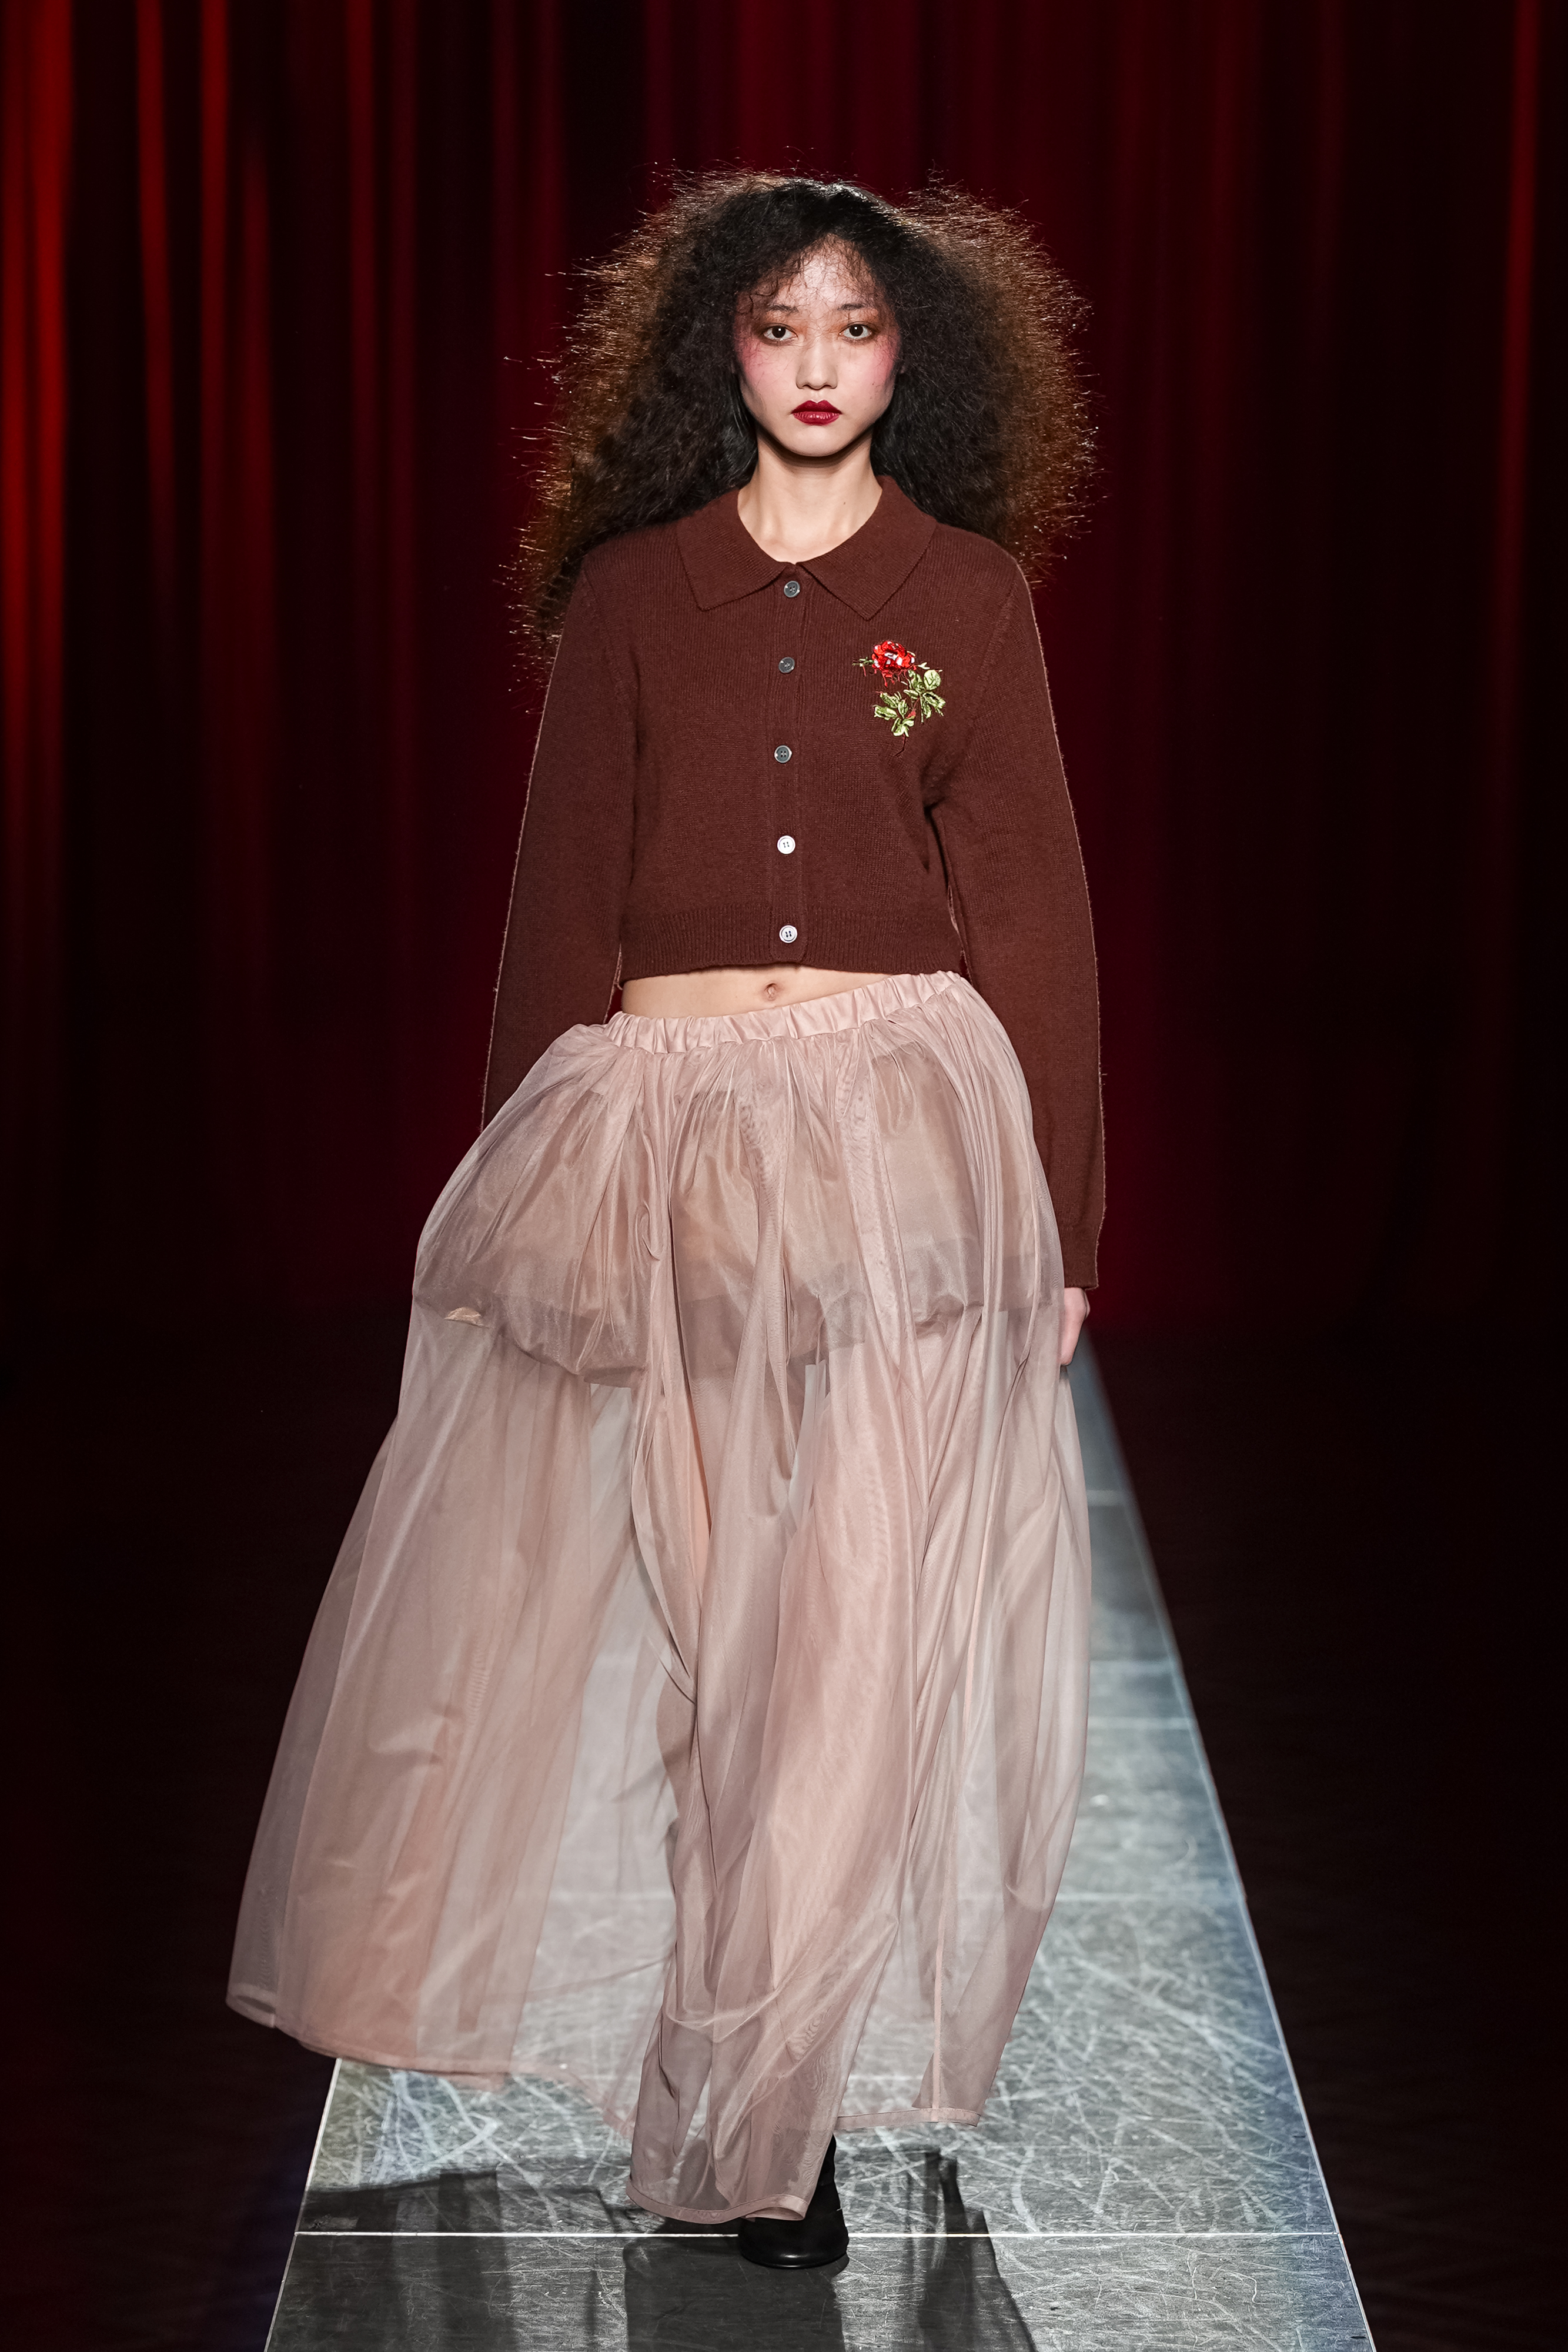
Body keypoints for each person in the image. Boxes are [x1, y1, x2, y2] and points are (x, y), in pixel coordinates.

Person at [229, 175, 1101, 2273]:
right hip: (673, 1137)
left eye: (855, 329)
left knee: (842, 1642)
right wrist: (513, 1194)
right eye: (779, 325)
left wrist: (1062, 1227)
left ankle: (768, 2116)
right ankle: (718, 2069)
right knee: (718, 1636)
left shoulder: (954, 600)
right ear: (718, 344)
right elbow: (559, 903)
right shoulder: (634, 596)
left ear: (913, 359)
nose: (816, 365)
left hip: (898, 1137)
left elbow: (1030, 902)